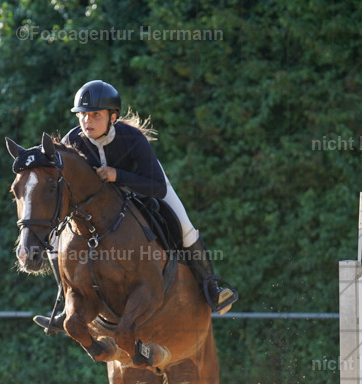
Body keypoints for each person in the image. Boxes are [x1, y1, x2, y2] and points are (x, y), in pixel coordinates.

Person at [33, 80, 238, 334]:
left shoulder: (132, 139)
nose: (87, 121)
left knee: (184, 226)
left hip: (144, 185)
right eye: (83, 115)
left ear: (113, 116)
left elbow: (157, 187)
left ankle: (211, 287)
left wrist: (117, 175)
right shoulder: (72, 141)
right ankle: (66, 305)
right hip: (100, 204)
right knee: (54, 240)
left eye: (96, 115)